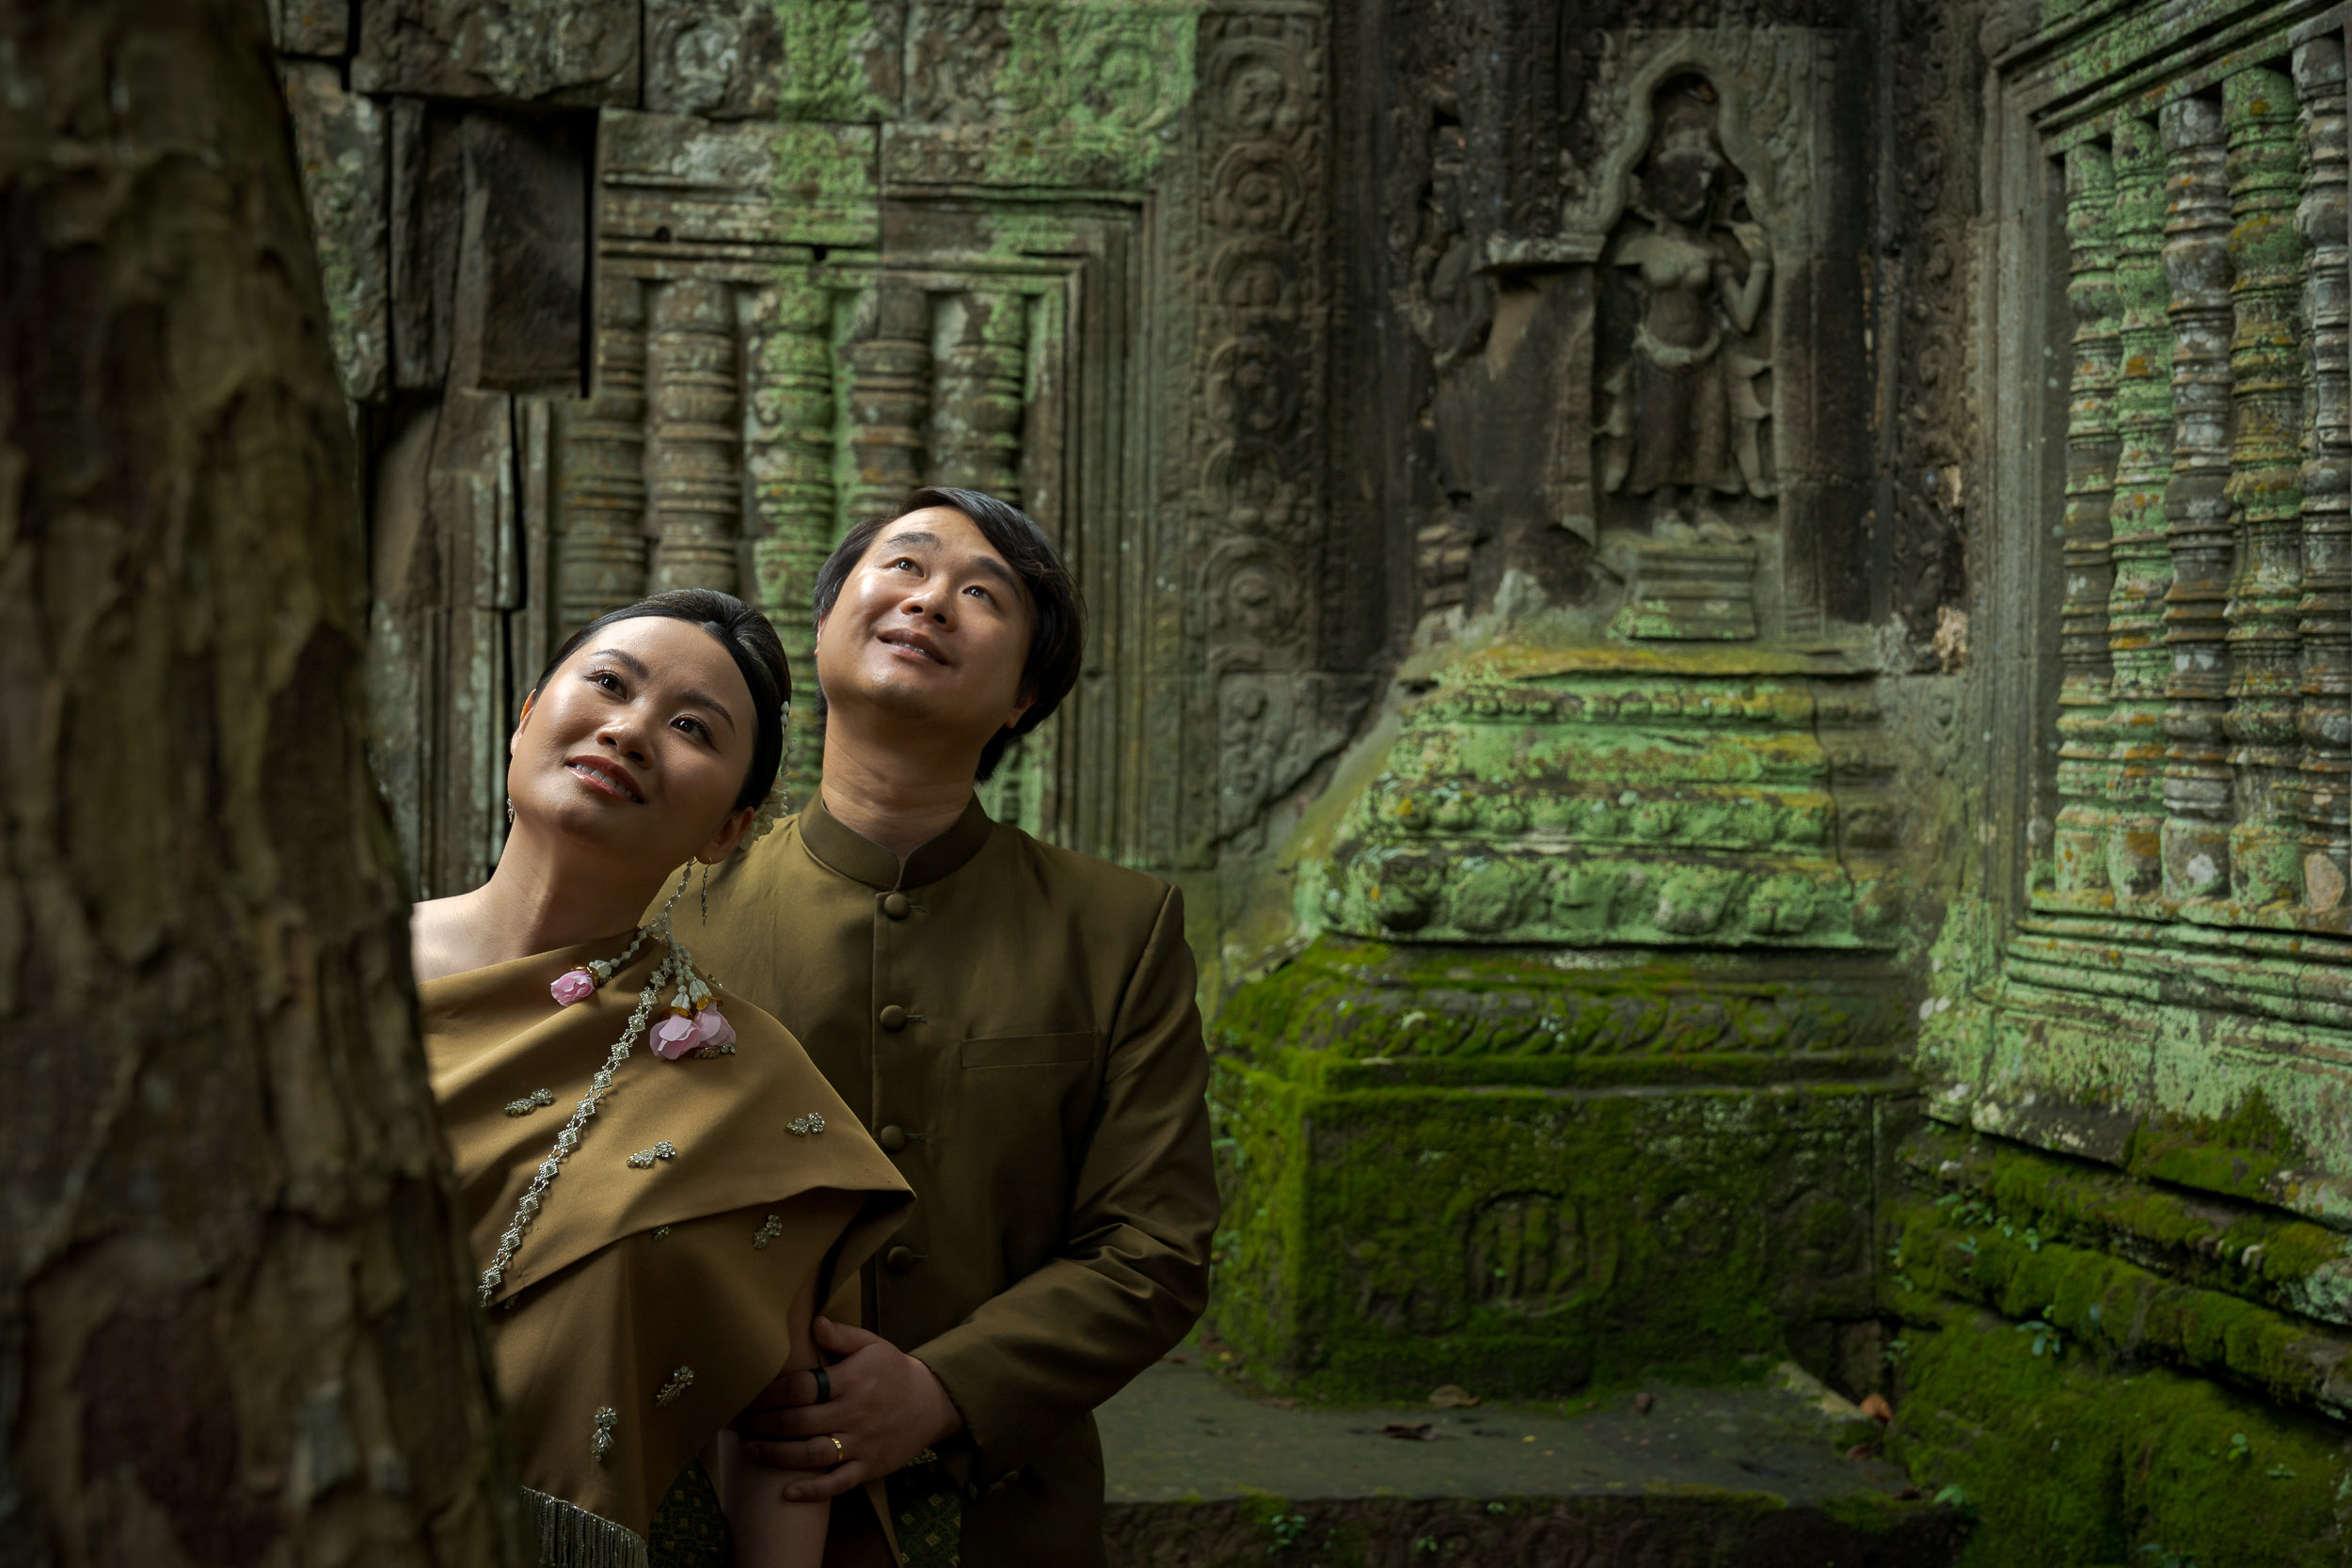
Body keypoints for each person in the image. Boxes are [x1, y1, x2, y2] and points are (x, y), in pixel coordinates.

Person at [685, 488, 1219, 1566]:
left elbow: (1152, 1247)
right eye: (905, 567)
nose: (931, 600)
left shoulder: (1118, 928)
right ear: (829, 620)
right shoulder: (671, 905)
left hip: (1002, 1518)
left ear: (1024, 695)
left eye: (982, 594)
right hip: (701, 1502)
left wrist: (941, 1389)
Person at [411, 590, 913, 1567]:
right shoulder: (304, 978)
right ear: (523, 719)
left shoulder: (749, 1088)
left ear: (728, 829)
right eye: (608, 682)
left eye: (691, 726)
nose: (631, 728)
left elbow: (781, 1431)